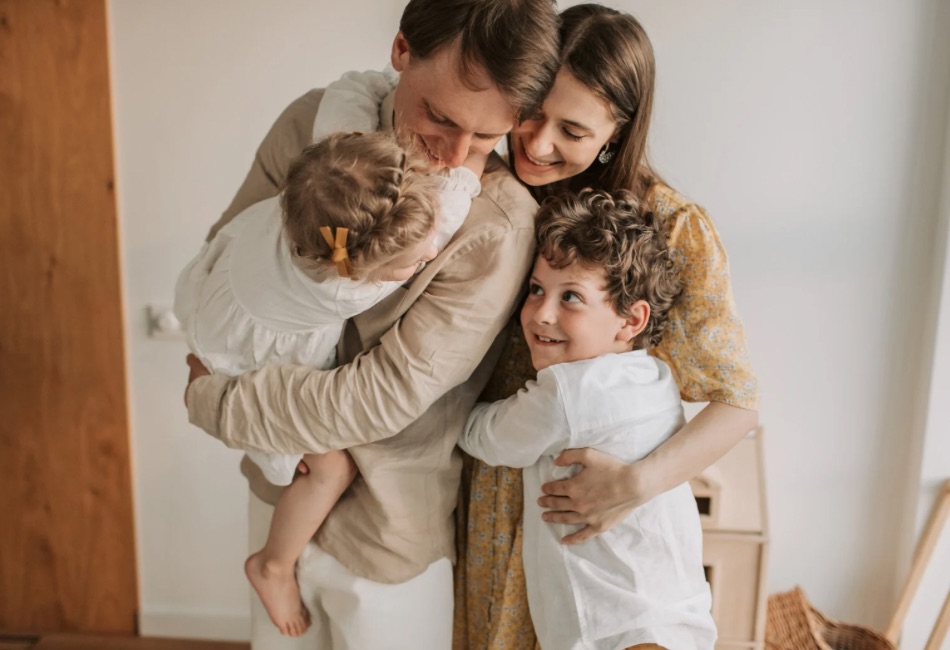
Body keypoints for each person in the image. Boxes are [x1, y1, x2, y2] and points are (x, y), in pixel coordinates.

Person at [182, 0, 561, 647]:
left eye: (486, 138)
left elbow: (383, 395)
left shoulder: (496, 225)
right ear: (401, 51)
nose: (454, 157)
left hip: (388, 535)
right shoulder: (310, 125)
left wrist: (216, 402)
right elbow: (230, 258)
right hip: (279, 494)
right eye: (439, 117)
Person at [454, 5, 760, 648]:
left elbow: (737, 404)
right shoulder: (481, 189)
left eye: (571, 129)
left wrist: (633, 485)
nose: (537, 144)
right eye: (531, 113)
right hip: (487, 498)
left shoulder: (672, 229)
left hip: (593, 521)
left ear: (617, 132)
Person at [174, 130, 481, 638]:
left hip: (214, 308)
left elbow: (345, 107)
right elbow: (446, 220)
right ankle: (273, 564)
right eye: (413, 263)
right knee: (329, 467)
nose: (430, 255)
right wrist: (473, 162)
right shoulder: (340, 288)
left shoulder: (302, 203)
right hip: (241, 357)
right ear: (359, 269)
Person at [459, 189, 716, 650]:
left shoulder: (569, 392)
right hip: (675, 614)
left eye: (571, 297)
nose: (542, 313)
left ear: (630, 320)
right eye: (536, 289)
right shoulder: (655, 377)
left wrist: (451, 398)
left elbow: (486, 437)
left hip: (612, 627)